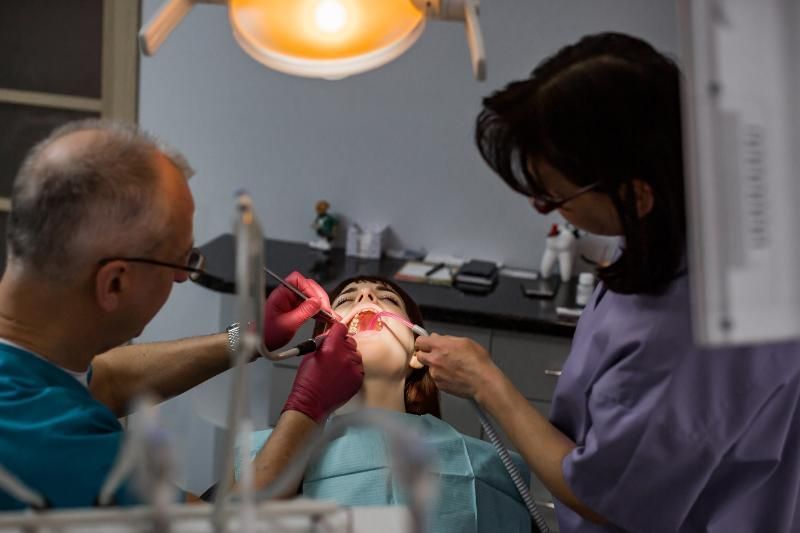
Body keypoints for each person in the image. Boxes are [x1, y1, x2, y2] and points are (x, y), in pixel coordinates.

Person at [413, 32, 800, 532]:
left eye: (555, 198)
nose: (544, 209)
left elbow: (609, 498)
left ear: (637, 195)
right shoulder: (680, 219)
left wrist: (487, 385)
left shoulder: (684, 335)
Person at [0, 120, 363, 509]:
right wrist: (308, 409)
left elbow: (104, 381)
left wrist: (245, 338)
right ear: (114, 284)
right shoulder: (58, 444)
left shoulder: (31, 364)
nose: (181, 278)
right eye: (181, 261)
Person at [239, 276, 532, 533]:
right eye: (347, 298)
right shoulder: (255, 456)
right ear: (319, 345)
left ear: (417, 352)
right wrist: (240, 336)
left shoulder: (491, 469)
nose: (366, 297)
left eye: (388, 298)